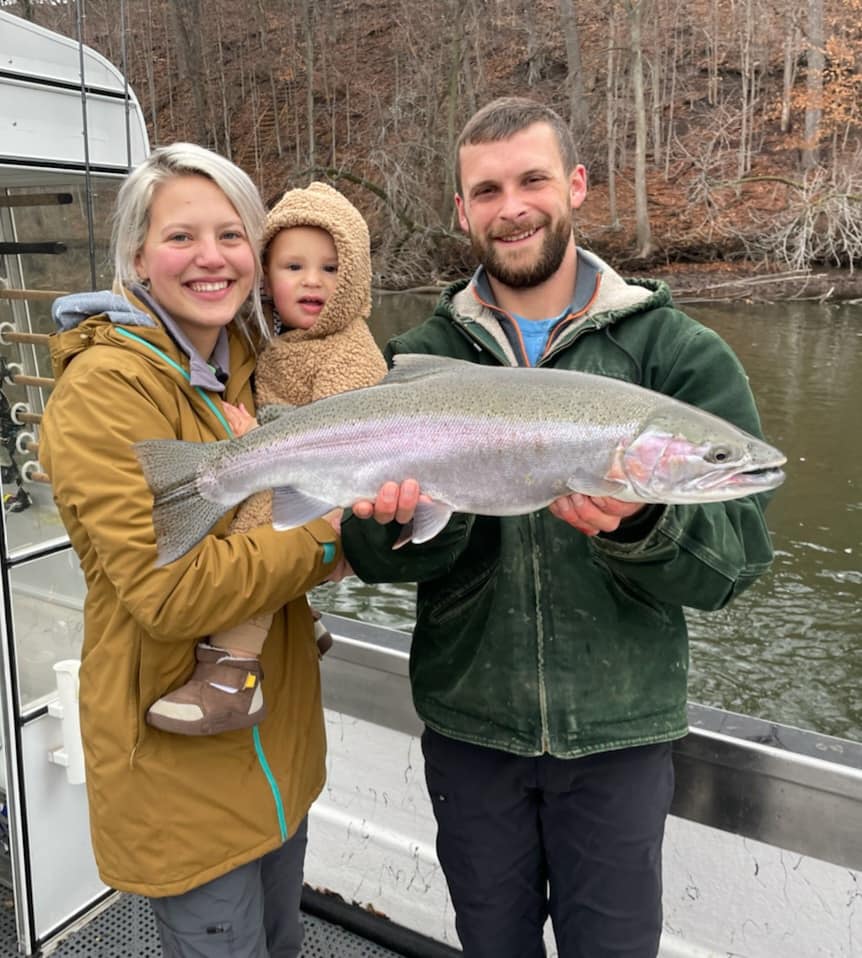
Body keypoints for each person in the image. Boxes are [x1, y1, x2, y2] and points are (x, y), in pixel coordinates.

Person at [341, 97, 777, 958]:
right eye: (487, 190)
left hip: (620, 738)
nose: (513, 208)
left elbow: (736, 566)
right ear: (462, 209)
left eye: (532, 180)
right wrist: (409, 522)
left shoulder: (677, 355)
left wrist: (642, 522)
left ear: (575, 185)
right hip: (471, 734)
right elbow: (372, 561)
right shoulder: (416, 358)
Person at [39, 143, 350, 958]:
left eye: (231, 235)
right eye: (181, 237)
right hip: (182, 777)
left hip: (280, 757)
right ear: (138, 257)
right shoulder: (104, 391)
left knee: (283, 944)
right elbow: (170, 592)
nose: (211, 257)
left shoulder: (256, 365)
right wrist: (329, 538)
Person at [146, 180, 387, 735]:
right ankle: (302, 616)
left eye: (331, 269)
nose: (312, 281)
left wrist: (258, 434)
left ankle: (233, 673)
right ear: (266, 276)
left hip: (333, 487)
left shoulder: (352, 352)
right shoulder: (281, 340)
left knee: (256, 529)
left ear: (355, 278)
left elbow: (341, 434)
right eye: (293, 267)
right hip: (301, 473)